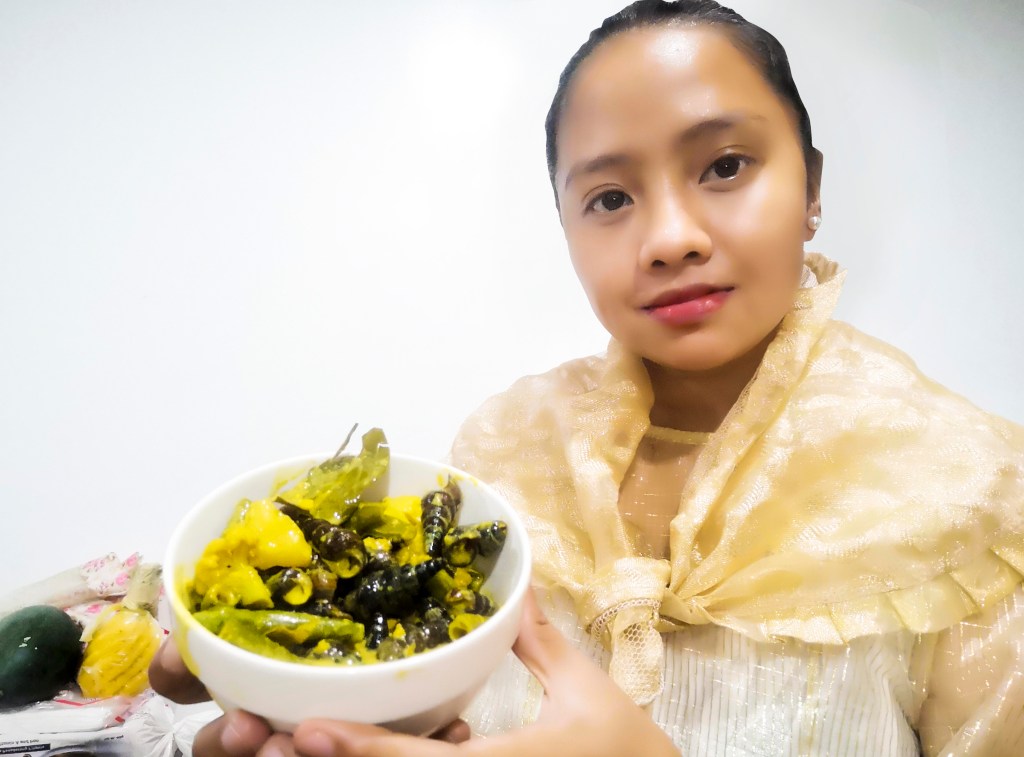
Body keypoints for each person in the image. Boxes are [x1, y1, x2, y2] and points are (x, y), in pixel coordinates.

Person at [150, 1, 1024, 754]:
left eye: (725, 165)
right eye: (610, 198)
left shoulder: (966, 492)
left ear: (813, 189)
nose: (670, 238)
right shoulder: (507, 451)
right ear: (566, 229)